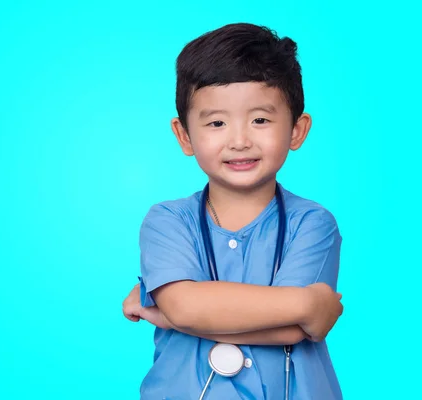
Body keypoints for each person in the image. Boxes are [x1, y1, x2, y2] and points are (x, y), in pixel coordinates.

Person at [122, 23, 344, 399]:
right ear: (185, 136)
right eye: (217, 122)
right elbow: (187, 307)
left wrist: (162, 311)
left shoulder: (312, 224)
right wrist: (307, 304)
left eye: (260, 119)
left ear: (296, 130)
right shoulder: (167, 221)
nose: (239, 140)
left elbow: (294, 331)